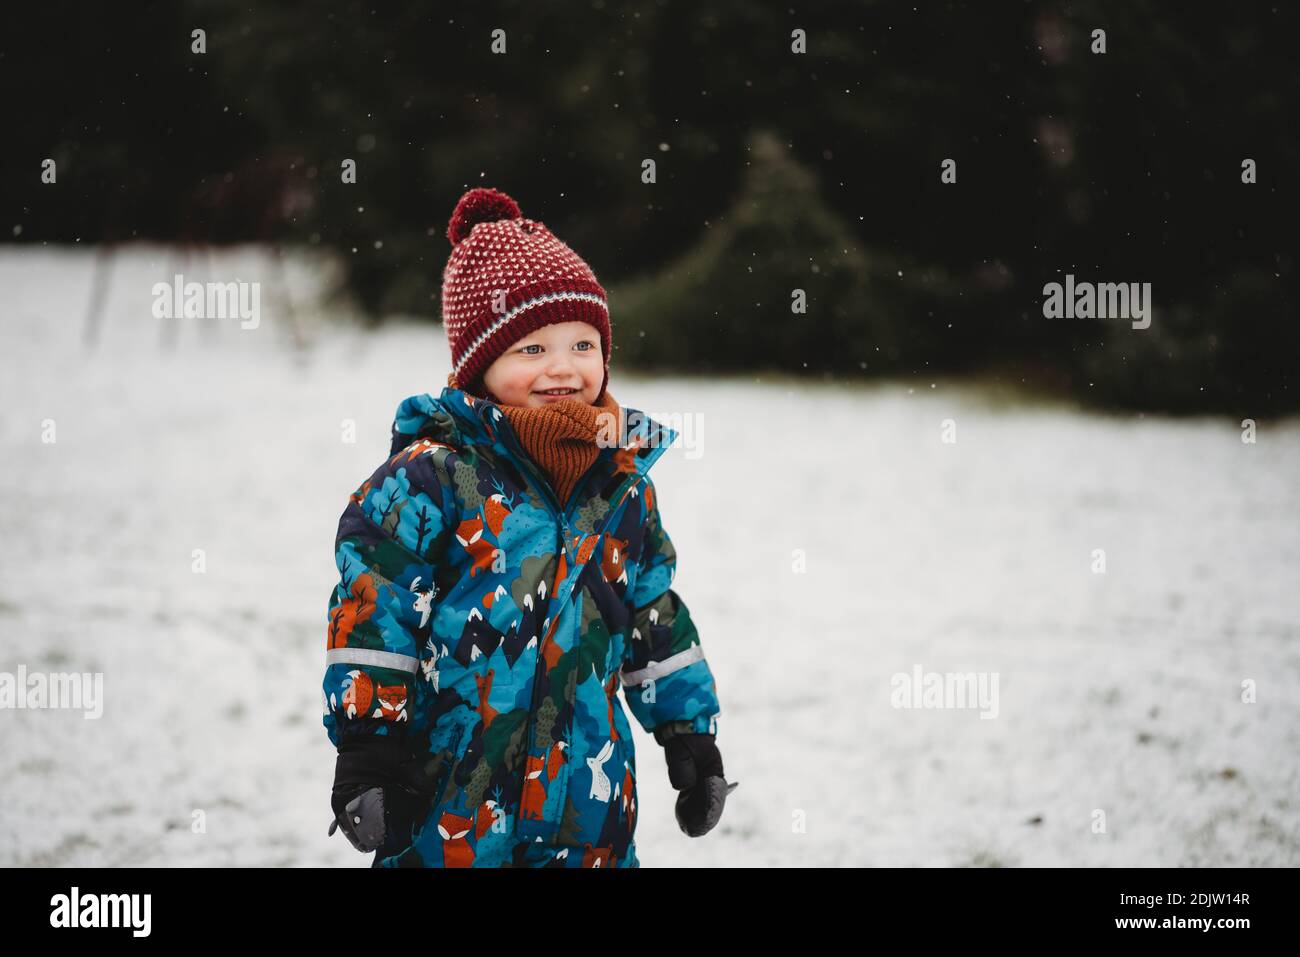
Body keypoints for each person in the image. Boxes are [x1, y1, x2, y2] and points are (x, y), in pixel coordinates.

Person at [322, 187, 732, 867]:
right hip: (451, 805)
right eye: (532, 347)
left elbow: (653, 614)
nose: (564, 366)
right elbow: (373, 610)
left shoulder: (622, 485)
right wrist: (369, 747)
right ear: (480, 364)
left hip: (589, 812)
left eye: (583, 343)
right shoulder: (433, 479)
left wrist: (689, 732)